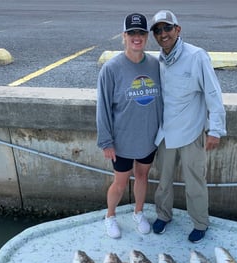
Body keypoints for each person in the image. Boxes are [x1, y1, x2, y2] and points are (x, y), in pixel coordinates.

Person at [150, 10, 227, 243]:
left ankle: (200, 222)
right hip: (165, 133)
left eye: (167, 28)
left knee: (195, 183)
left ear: (178, 30)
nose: (163, 34)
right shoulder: (159, 60)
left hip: (192, 132)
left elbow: (214, 94)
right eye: (158, 30)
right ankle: (163, 215)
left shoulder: (197, 56)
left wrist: (215, 130)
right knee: (163, 183)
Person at [96, 13, 162, 239]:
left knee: (142, 177)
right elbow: (103, 107)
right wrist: (106, 141)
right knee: (120, 182)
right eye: (132, 33)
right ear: (124, 36)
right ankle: (110, 216)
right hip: (122, 140)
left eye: (141, 33)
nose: (137, 37)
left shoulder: (155, 65)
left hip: (148, 138)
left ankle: (138, 212)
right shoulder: (111, 68)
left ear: (146, 37)